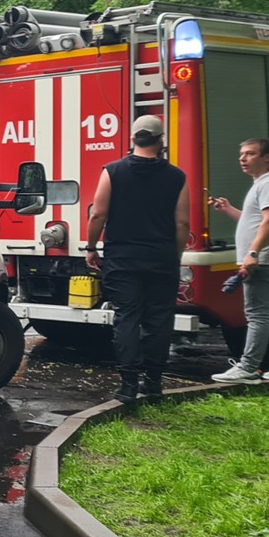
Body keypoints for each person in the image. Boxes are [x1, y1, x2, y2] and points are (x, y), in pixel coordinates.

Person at [83, 114, 190, 403]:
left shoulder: (113, 171)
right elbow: (182, 224)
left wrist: (91, 247)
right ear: (160, 140)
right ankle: (153, 383)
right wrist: (174, 256)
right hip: (162, 259)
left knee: (127, 317)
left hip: (122, 259)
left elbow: (98, 214)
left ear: (133, 139)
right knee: (159, 320)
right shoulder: (177, 177)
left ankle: (128, 384)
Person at [209, 137, 269, 383]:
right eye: (242, 155)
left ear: (266, 157)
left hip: (265, 262)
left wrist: (253, 252)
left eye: (249, 154)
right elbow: (256, 221)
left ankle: (248, 367)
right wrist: (228, 209)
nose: (242, 158)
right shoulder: (265, 184)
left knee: (257, 316)